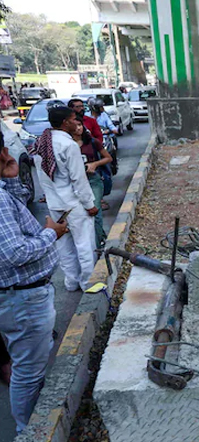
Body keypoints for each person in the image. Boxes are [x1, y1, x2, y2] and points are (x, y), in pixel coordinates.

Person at [1, 129, 68, 434]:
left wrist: (12, 178)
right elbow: (14, 251)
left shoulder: (3, 193)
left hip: (22, 296)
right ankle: (29, 433)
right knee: (27, 373)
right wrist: (51, 233)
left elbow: (15, 214)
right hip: (23, 299)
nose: (8, 154)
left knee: (29, 368)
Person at [28, 106, 98, 292]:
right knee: (84, 244)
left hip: (55, 204)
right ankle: (87, 283)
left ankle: (71, 282)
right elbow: (78, 179)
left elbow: (43, 178)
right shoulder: (69, 145)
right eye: (74, 118)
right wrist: (90, 205)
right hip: (74, 204)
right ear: (65, 122)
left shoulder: (42, 143)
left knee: (64, 246)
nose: (77, 122)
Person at [70, 119, 112, 248]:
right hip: (74, 183)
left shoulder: (92, 142)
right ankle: (99, 236)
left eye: (80, 125)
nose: (78, 128)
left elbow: (108, 157)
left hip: (93, 180)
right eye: (75, 125)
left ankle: (98, 245)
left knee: (95, 210)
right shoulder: (66, 144)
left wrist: (95, 164)